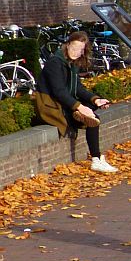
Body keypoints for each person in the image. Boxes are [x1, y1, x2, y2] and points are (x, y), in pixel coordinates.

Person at [34, 31, 116, 172]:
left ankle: (96, 157)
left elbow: (78, 88)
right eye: (74, 48)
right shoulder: (55, 63)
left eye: (80, 50)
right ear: (67, 45)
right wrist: (79, 106)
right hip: (51, 105)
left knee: (92, 112)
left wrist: (96, 100)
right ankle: (96, 159)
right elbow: (59, 92)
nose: (76, 52)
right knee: (92, 118)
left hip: (63, 103)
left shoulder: (73, 64)